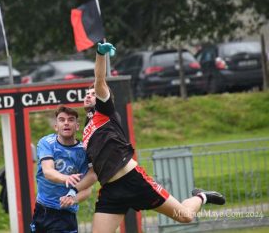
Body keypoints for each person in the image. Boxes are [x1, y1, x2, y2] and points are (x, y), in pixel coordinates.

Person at [64, 43, 226, 233]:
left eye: (93, 94)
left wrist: (100, 54)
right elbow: (93, 174)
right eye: (87, 94)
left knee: (185, 216)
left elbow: (99, 79)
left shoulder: (104, 112)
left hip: (133, 180)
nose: (88, 96)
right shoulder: (86, 132)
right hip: (110, 189)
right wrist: (73, 190)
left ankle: (201, 196)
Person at [30, 105, 94, 233]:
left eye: (70, 120)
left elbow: (87, 188)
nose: (66, 123)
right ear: (56, 126)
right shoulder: (46, 143)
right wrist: (67, 178)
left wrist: (73, 199)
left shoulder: (84, 151)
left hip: (64, 214)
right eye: (62, 120)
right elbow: (48, 171)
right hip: (41, 210)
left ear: (77, 126)